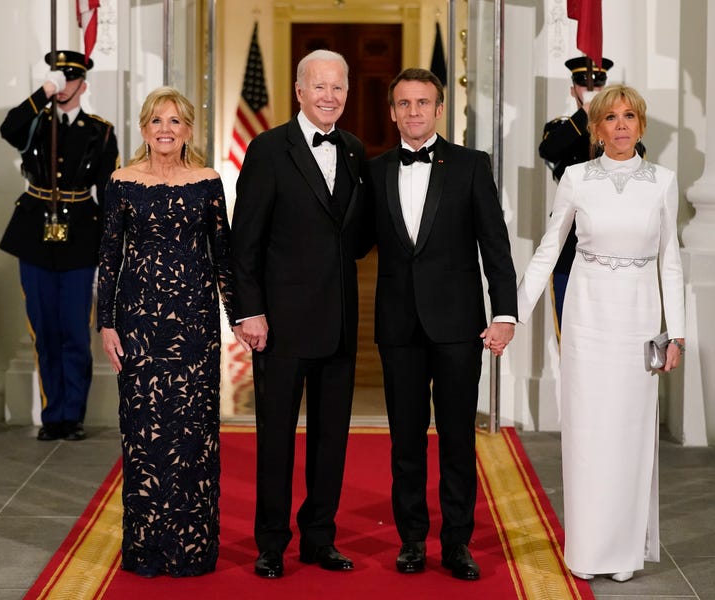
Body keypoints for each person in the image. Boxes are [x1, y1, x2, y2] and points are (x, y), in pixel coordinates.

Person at [517, 85, 685, 583]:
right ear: (596, 128)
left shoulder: (663, 181)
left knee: (631, 435)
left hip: (638, 321)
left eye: (629, 115)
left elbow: (669, 261)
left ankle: (623, 552)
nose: (620, 125)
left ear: (642, 124)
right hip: (587, 319)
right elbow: (549, 250)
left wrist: (675, 334)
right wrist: (512, 314)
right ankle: (586, 550)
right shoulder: (575, 178)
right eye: (609, 117)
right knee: (589, 434)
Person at [363, 68, 518, 581]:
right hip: (398, 328)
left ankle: (456, 543)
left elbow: (494, 244)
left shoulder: (472, 165)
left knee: (456, 439)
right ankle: (412, 540)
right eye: (404, 103)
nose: (413, 112)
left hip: (457, 327)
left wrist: (504, 312)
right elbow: (351, 243)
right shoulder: (376, 168)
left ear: (439, 108)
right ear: (392, 111)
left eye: (423, 103)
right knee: (405, 442)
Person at [230, 49, 366, 579]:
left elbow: (356, 236)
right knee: (276, 439)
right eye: (320, 87)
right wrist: (250, 312)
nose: (329, 97)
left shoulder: (354, 150)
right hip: (280, 323)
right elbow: (246, 243)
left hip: (339, 321)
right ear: (299, 91)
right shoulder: (267, 149)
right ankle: (270, 543)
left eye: (338, 87)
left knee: (331, 440)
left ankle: (319, 538)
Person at [97, 87, 238, 577]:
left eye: (176, 121)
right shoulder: (121, 181)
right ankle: (147, 548)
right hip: (137, 324)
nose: (165, 129)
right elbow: (108, 260)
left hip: (196, 324)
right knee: (144, 433)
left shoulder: (208, 181)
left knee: (193, 432)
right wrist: (106, 323)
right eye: (157, 120)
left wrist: (239, 317)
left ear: (189, 131)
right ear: (143, 127)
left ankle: (192, 549)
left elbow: (224, 256)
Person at [0, 50, 119, 442]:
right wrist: (42, 92)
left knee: (73, 329)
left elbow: (108, 190)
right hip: (35, 234)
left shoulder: (100, 130)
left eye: (71, 81)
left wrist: (112, 245)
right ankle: (52, 415)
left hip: (80, 235)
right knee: (44, 330)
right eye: (59, 80)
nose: (64, 86)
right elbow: (8, 129)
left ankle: (73, 416)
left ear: (83, 86)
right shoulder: (36, 121)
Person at [539, 57, 645, 335]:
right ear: (573, 89)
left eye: (598, 84)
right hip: (571, 237)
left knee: (611, 326)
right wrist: (584, 115)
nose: (590, 89)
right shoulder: (562, 126)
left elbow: (637, 154)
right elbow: (549, 150)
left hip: (611, 238)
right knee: (570, 326)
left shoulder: (617, 132)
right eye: (583, 84)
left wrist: (602, 122)